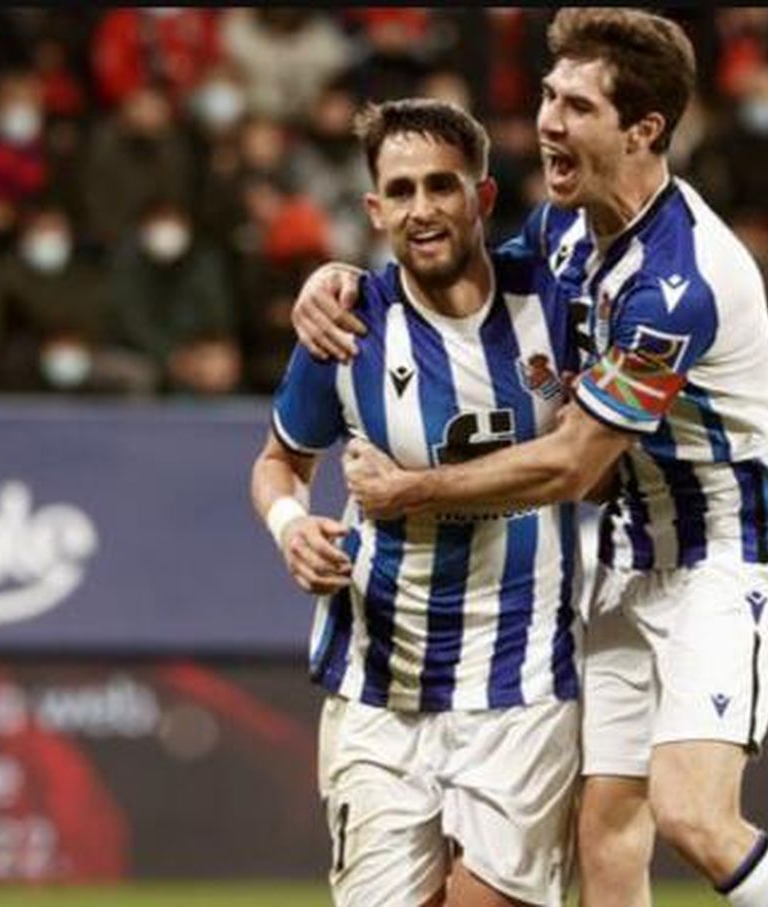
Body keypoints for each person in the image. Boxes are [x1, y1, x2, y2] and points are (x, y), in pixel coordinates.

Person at [291, 9, 768, 907]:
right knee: (606, 829)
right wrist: (342, 282)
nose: (546, 120)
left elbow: (573, 464)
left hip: (728, 558)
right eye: (547, 94)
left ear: (642, 129)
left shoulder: (679, 280)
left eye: (576, 104)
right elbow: (447, 269)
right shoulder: (566, 235)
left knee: (695, 815)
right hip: (628, 557)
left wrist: (407, 490)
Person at [249, 98, 581, 907]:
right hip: (380, 689)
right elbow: (277, 462)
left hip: (524, 682)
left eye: (442, 185)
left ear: (483, 197)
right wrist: (290, 525)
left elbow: (589, 458)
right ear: (375, 208)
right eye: (401, 191)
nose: (422, 208)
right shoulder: (346, 325)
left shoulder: (557, 304)